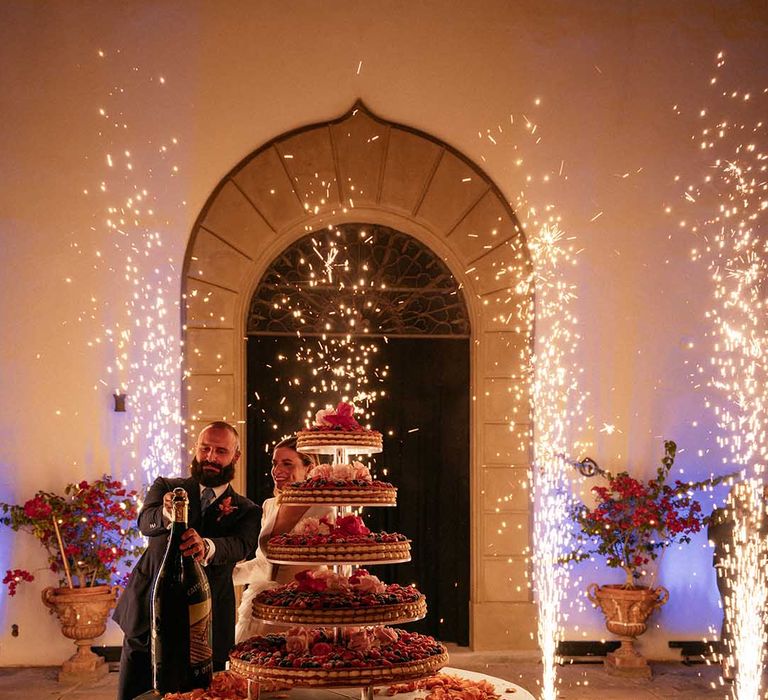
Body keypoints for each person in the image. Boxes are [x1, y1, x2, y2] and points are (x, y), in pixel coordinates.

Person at [113, 421, 261, 700]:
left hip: (205, 625)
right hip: (149, 615)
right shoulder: (166, 486)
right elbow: (145, 522)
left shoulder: (247, 510)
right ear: (196, 449)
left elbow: (241, 545)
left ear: (236, 457)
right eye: (205, 448)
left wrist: (207, 547)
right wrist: (168, 514)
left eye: (221, 451)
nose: (211, 457)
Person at [234, 436, 334, 642]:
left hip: (307, 609)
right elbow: (264, 565)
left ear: (309, 468)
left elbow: (337, 563)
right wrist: (224, 575)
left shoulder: (326, 507)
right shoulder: (270, 505)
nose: (277, 470)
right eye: (275, 463)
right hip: (266, 608)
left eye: (287, 463)